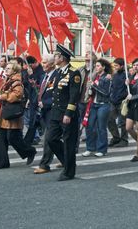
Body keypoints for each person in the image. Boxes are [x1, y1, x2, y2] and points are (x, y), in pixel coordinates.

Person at [45, 44, 81, 181]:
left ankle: (69, 172)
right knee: (51, 139)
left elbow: (74, 95)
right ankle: (67, 162)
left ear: (62, 58)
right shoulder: (58, 72)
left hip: (67, 114)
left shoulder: (74, 73)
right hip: (56, 113)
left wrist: (68, 113)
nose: (54, 58)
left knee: (68, 142)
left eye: (56, 55)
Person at [0, 62, 37, 169]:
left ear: (15, 71)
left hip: (11, 114)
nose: (6, 70)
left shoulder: (17, 82)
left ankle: (30, 151)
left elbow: (16, 96)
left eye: (9, 68)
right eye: (6, 68)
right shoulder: (6, 80)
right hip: (3, 112)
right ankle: (2, 162)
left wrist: (1, 97)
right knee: (1, 137)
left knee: (13, 138)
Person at [34, 54, 59, 174]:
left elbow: (57, 95)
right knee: (54, 139)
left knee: (48, 139)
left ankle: (44, 164)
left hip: (53, 112)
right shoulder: (44, 76)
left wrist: (45, 103)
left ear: (52, 64)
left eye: (45, 63)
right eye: (42, 62)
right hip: (44, 112)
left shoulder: (57, 76)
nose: (42, 65)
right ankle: (65, 159)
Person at [82, 59, 112, 157]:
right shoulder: (96, 77)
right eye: (96, 66)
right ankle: (90, 147)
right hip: (93, 104)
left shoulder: (107, 78)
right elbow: (92, 90)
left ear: (103, 67)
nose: (96, 67)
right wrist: (90, 89)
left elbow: (106, 92)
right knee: (90, 126)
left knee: (101, 127)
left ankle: (102, 149)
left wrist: (94, 86)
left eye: (98, 66)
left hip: (103, 104)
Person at [108, 58, 129, 147]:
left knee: (122, 122)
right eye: (114, 66)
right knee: (109, 119)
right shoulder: (114, 76)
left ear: (122, 66)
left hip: (122, 102)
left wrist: (129, 83)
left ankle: (124, 140)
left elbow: (130, 89)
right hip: (113, 101)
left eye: (116, 66)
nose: (115, 67)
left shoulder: (127, 76)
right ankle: (116, 137)